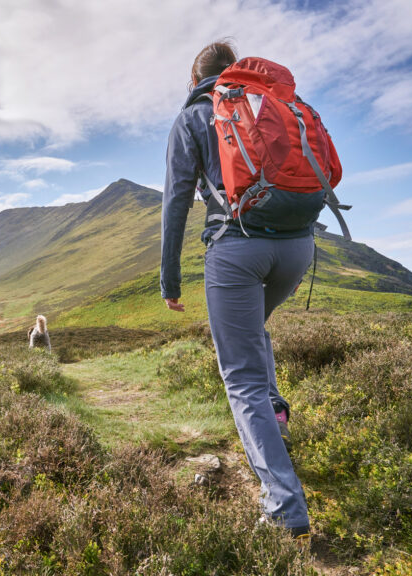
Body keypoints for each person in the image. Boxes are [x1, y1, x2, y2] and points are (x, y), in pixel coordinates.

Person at [160, 40, 313, 540]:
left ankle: (283, 508)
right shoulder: (268, 104)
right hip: (298, 247)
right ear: (236, 73)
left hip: (237, 250)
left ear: (195, 78)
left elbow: (177, 202)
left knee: (240, 376)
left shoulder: (193, 117)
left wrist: (170, 279)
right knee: (253, 336)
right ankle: (276, 411)